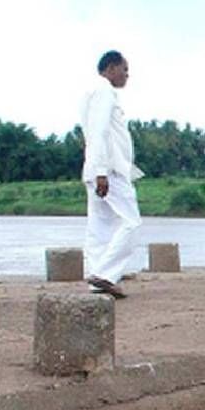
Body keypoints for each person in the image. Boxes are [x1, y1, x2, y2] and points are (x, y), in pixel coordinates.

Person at [81, 50, 144, 299]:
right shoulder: (105, 91)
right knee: (131, 222)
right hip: (109, 170)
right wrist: (101, 172)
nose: (127, 75)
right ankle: (105, 275)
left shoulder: (90, 92)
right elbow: (99, 132)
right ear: (111, 67)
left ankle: (98, 278)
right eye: (124, 69)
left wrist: (96, 170)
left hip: (98, 169)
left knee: (100, 227)